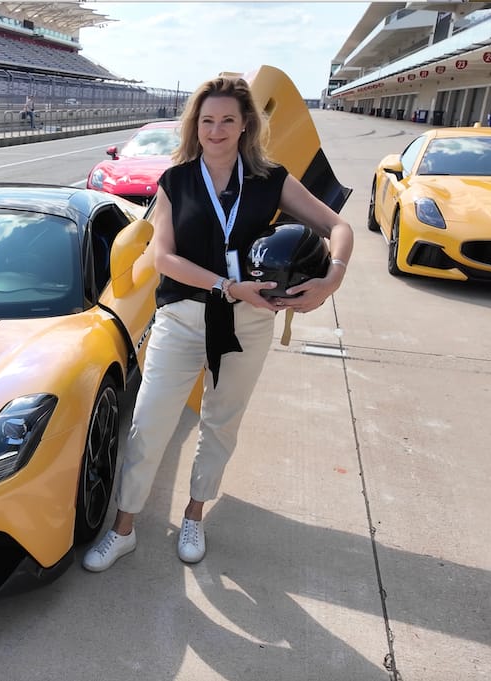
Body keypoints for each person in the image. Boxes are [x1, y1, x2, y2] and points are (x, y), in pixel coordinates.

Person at [82, 75, 353, 572]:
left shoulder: (270, 177)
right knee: (148, 423)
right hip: (184, 316)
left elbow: (338, 226)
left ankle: (194, 513)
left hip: (249, 321)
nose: (217, 129)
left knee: (221, 422)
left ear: (246, 123)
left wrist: (331, 278)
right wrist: (226, 286)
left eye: (228, 119)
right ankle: (123, 529)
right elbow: (163, 258)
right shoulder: (177, 180)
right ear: (196, 125)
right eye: (207, 120)